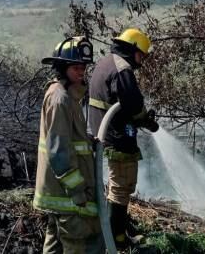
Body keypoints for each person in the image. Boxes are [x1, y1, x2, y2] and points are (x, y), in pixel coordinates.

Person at [87, 28, 158, 250]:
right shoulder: (122, 68)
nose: (142, 60)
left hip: (106, 133)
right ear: (133, 48)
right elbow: (134, 105)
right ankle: (117, 241)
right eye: (141, 55)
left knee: (117, 187)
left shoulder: (106, 62)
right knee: (121, 187)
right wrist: (146, 120)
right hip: (117, 137)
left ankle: (116, 235)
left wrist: (139, 119)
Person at [34, 36, 103, 254]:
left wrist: (88, 142)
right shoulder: (60, 98)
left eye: (83, 66)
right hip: (66, 193)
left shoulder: (67, 96)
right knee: (77, 243)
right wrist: (77, 190)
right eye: (76, 67)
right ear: (62, 67)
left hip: (58, 191)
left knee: (54, 244)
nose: (81, 71)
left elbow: (68, 139)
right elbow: (58, 150)